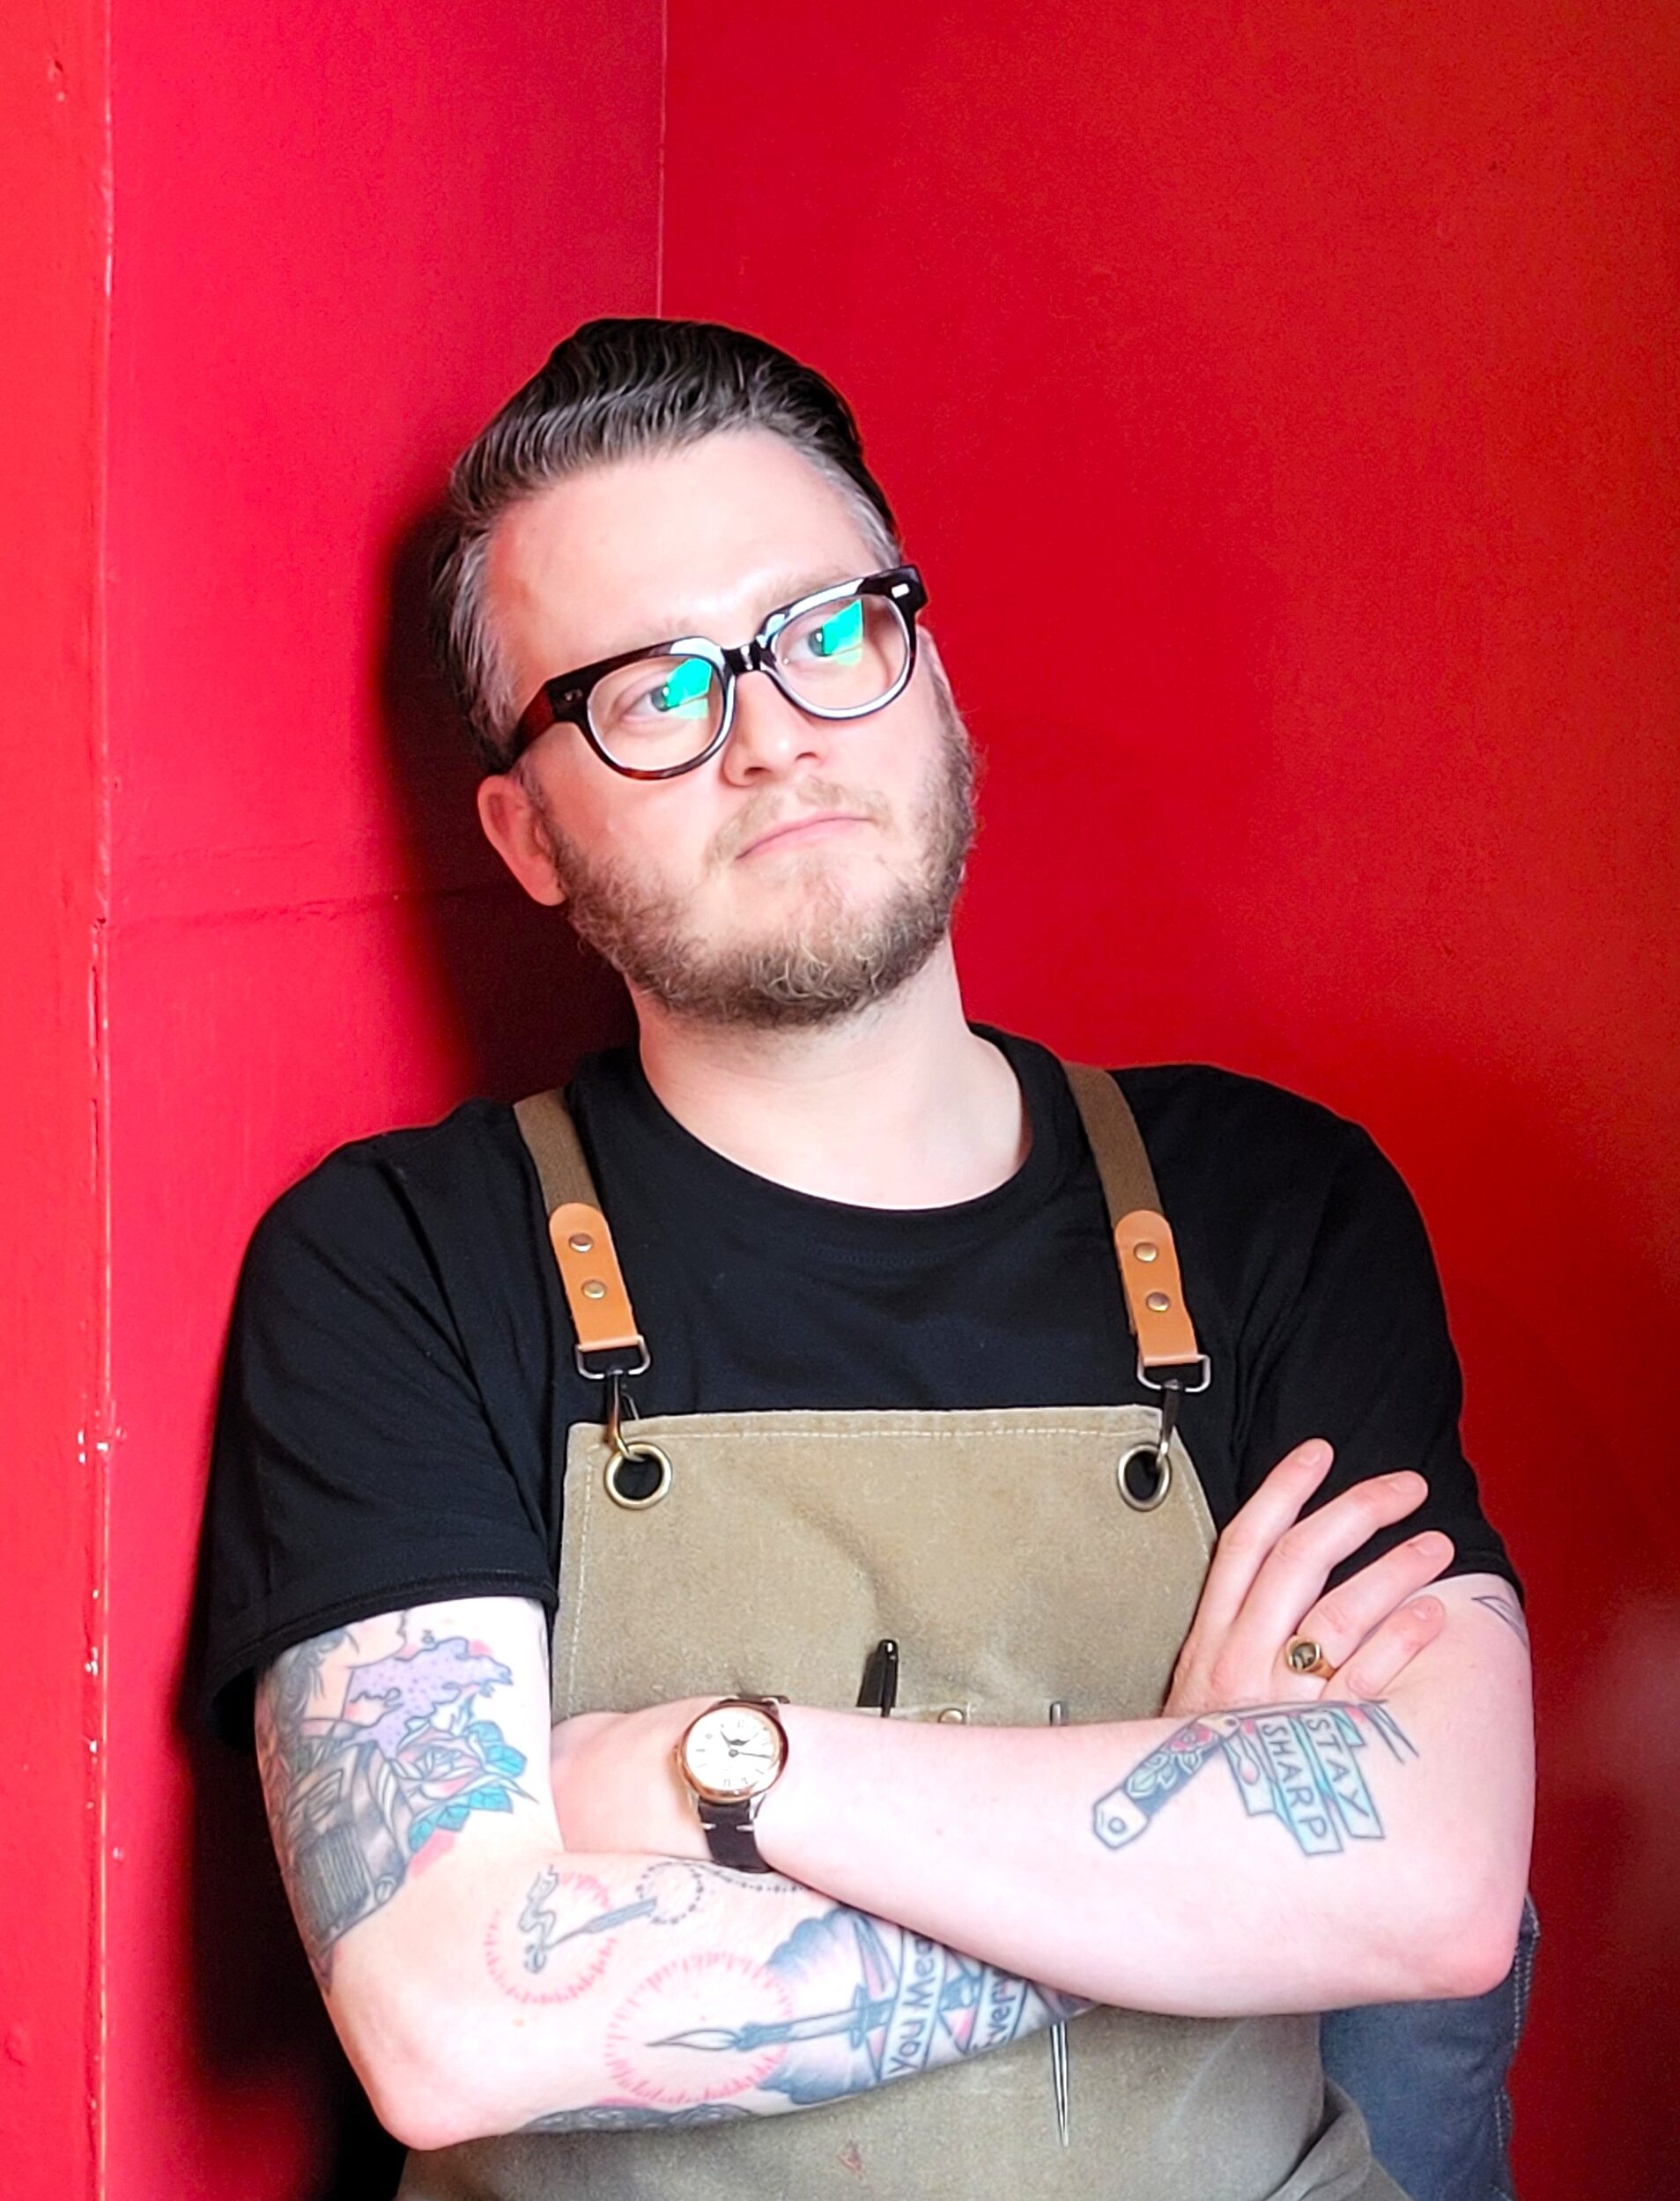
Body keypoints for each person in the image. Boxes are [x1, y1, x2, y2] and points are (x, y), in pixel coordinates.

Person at [198, 318, 1536, 2201]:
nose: (773, 739)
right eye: (647, 692)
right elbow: (454, 2019)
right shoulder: (404, 1261)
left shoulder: (1273, 1206)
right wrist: (1187, 1842)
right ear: (527, 837)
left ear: (932, 677)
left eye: (826, 630)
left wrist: (714, 1774)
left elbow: (1437, 1885)